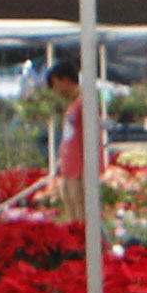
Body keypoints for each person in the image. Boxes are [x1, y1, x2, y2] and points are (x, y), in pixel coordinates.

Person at [45, 57, 86, 224]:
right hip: (69, 169)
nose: (55, 90)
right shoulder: (73, 106)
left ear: (66, 80)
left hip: (79, 170)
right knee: (73, 216)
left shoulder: (84, 103)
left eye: (55, 84)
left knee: (81, 215)